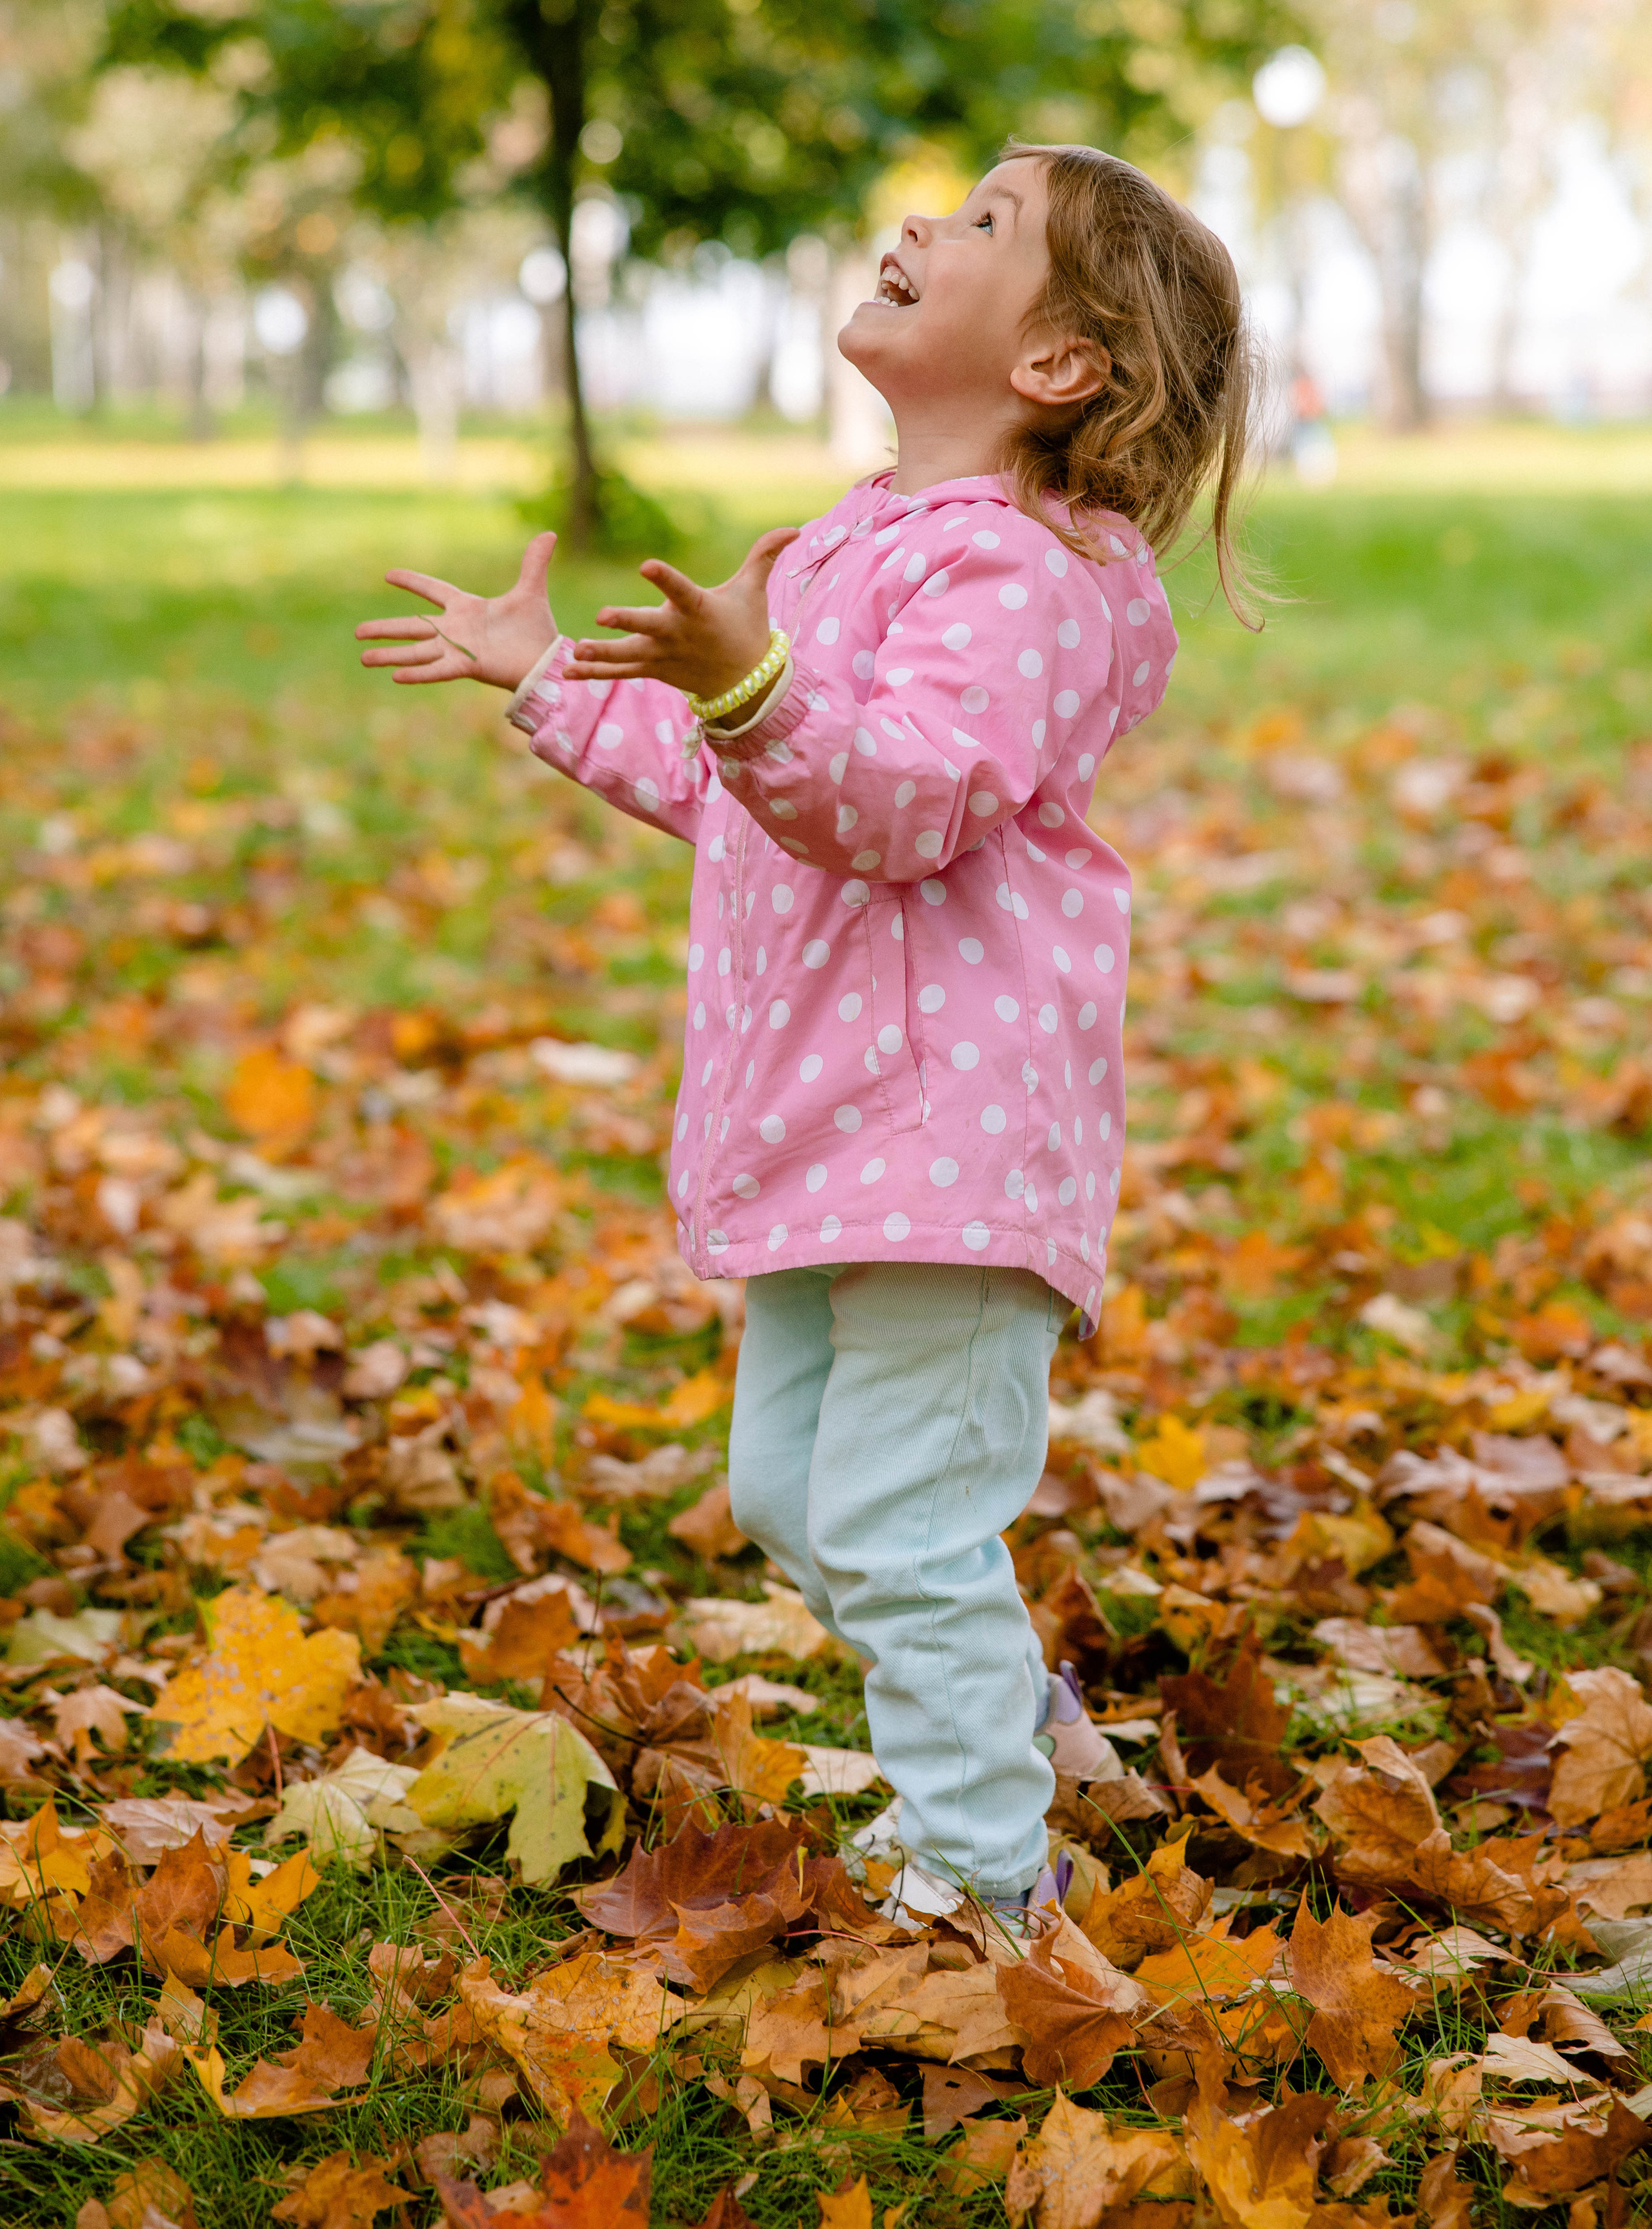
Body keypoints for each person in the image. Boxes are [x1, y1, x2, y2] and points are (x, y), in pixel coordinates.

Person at [356, 141, 1258, 1927]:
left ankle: (985, 1879)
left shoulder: (1029, 575)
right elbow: (740, 790)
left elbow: (906, 798)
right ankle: (1014, 1726)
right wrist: (550, 679)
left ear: (1060, 364)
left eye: (988, 223)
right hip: (828, 1115)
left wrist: (756, 684)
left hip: (950, 1132)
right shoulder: (852, 540)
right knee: (794, 1492)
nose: (926, 224)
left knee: (906, 1520)